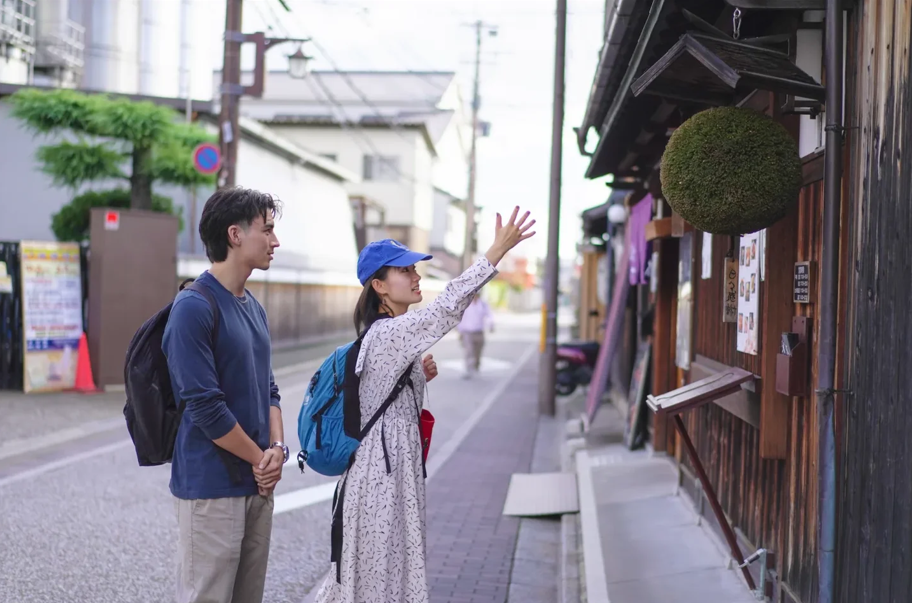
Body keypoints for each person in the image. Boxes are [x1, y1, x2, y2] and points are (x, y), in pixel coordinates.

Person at [314, 207, 536, 603]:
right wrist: (493, 254)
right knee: (378, 581)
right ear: (379, 286)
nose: (417, 277)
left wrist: (413, 378)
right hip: (380, 480)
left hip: (388, 473)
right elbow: (446, 307)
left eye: (415, 270)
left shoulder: (388, 336)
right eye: (406, 271)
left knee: (380, 577)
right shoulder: (389, 333)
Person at [162, 187, 288, 603]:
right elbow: (205, 407)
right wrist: (262, 461)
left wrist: (277, 449)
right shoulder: (194, 307)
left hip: (256, 483)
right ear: (235, 234)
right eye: (267, 230)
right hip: (212, 487)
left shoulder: (253, 305)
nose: (275, 241)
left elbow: (269, 387)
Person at [457, 293, 495, 378]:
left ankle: (476, 365)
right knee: (469, 351)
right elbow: (460, 317)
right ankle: (469, 369)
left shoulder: (482, 304)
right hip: (467, 332)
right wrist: (459, 330)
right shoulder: (465, 304)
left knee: (478, 351)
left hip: (479, 331)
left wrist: (491, 325)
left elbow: (489, 315)